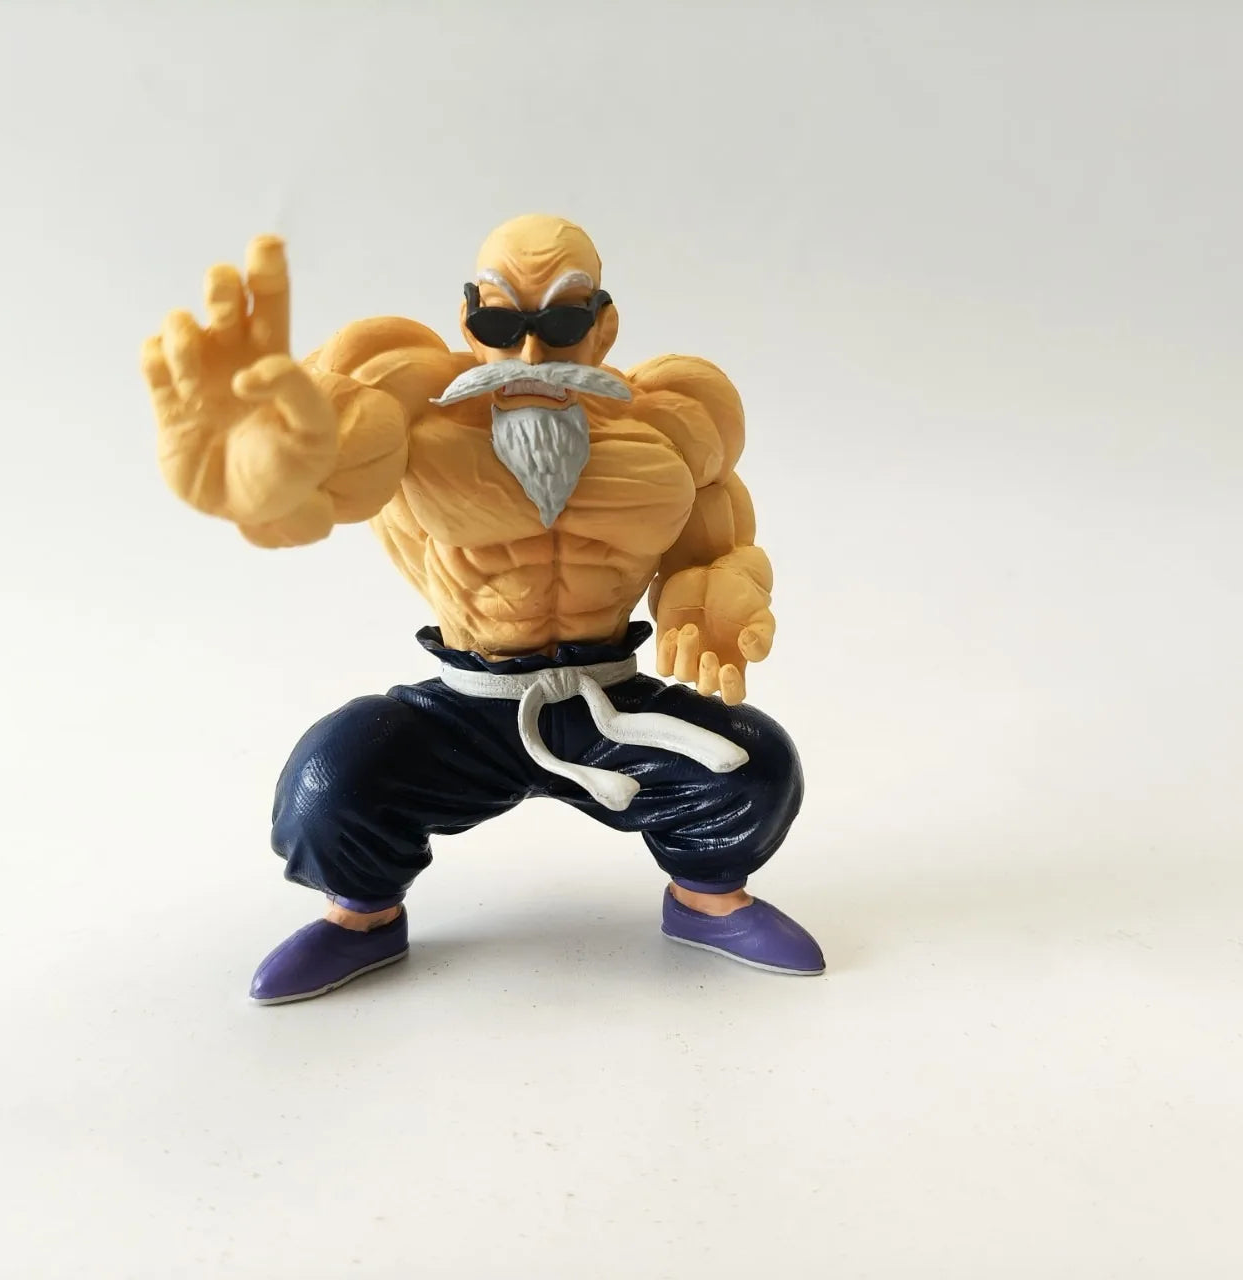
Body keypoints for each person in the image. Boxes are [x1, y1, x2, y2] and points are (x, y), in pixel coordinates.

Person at [141, 214, 824, 1004]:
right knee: (330, 783)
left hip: (608, 701)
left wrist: (712, 602)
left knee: (755, 768)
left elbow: (711, 552)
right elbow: (325, 474)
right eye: (502, 325)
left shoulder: (674, 427)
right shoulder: (406, 402)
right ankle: (361, 917)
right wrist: (262, 472)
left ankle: (707, 900)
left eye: (561, 324)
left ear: (603, 327)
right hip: (468, 704)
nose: (530, 354)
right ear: (469, 323)